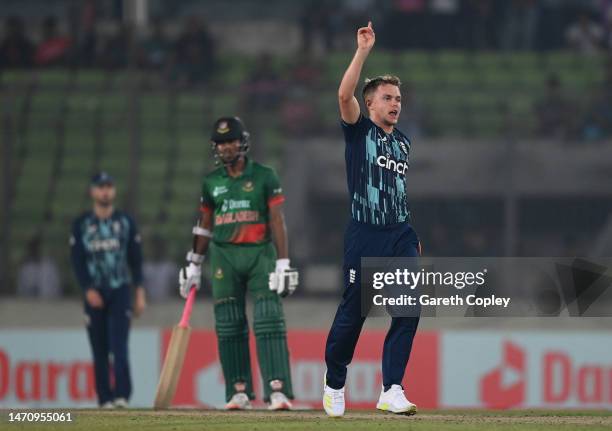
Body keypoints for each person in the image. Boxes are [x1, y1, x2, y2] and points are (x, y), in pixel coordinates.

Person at [323, 22, 421, 417]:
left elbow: (397, 189)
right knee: (354, 313)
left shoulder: (403, 142)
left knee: (409, 306)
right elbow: (343, 93)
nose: (396, 103)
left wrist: (412, 235)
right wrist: (362, 51)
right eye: (387, 97)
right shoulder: (357, 130)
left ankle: (392, 388)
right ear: (371, 104)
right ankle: (334, 382)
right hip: (364, 233)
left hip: (400, 233)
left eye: (399, 98)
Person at [178, 117, 298, 411]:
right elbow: (204, 226)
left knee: (269, 319)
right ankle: (238, 390)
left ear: (242, 142)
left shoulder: (265, 176)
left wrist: (283, 262)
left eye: (231, 141)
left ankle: (277, 390)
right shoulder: (212, 182)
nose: (227, 147)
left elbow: (277, 220)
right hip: (224, 256)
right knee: (229, 323)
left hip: (260, 254)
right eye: (221, 143)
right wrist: (194, 264)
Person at [70, 172, 146, 408]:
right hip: (94, 293)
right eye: (100, 187)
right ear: (93, 191)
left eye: (109, 187)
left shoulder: (125, 222)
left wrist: (139, 292)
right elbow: (77, 261)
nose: (105, 191)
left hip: (120, 290)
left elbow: (136, 259)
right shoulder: (82, 224)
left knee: (119, 345)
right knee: (99, 347)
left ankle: (122, 395)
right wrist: (87, 289)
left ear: (113, 191)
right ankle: (104, 399)